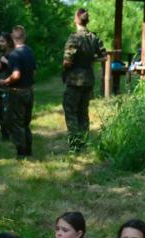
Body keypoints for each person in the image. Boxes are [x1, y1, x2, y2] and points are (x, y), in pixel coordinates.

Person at [62, 8, 106, 152]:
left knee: (71, 112)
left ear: (76, 18)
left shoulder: (74, 38)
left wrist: (65, 68)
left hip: (74, 80)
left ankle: (75, 145)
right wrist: (91, 59)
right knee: (83, 112)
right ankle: (84, 142)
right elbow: (104, 57)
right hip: (88, 79)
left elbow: (67, 61)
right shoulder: (94, 37)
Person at [0, 26, 36, 158]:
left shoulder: (14, 54)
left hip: (17, 92)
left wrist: (5, 81)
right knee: (26, 122)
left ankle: (21, 152)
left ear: (12, 37)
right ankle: (29, 150)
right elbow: (34, 72)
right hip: (29, 90)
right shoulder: (29, 51)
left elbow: (16, 75)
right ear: (24, 36)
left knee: (17, 122)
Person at [0, 33, 15, 140]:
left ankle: (9, 132)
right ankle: (3, 132)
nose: (0, 43)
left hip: (9, 87)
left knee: (7, 112)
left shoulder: (14, 54)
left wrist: (6, 62)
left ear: (9, 42)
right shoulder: (0, 55)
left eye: (2, 41)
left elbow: (17, 70)